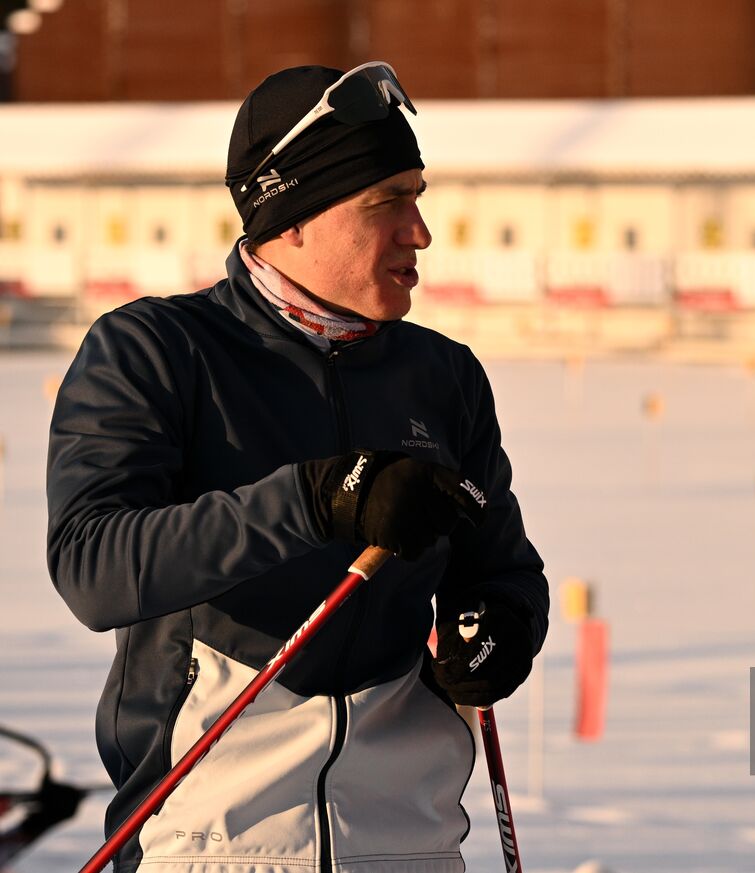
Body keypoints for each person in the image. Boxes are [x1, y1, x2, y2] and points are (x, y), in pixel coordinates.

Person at [47, 62, 548, 872]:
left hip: (410, 841)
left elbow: (504, 569)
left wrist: (502, 626)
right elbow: (92, 568)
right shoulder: (155, 350)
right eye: (388, 202)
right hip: (209, 841)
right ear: (292, 218)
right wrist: (316, 500)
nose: (419, 232)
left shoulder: (442, 375)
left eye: (418, 197)